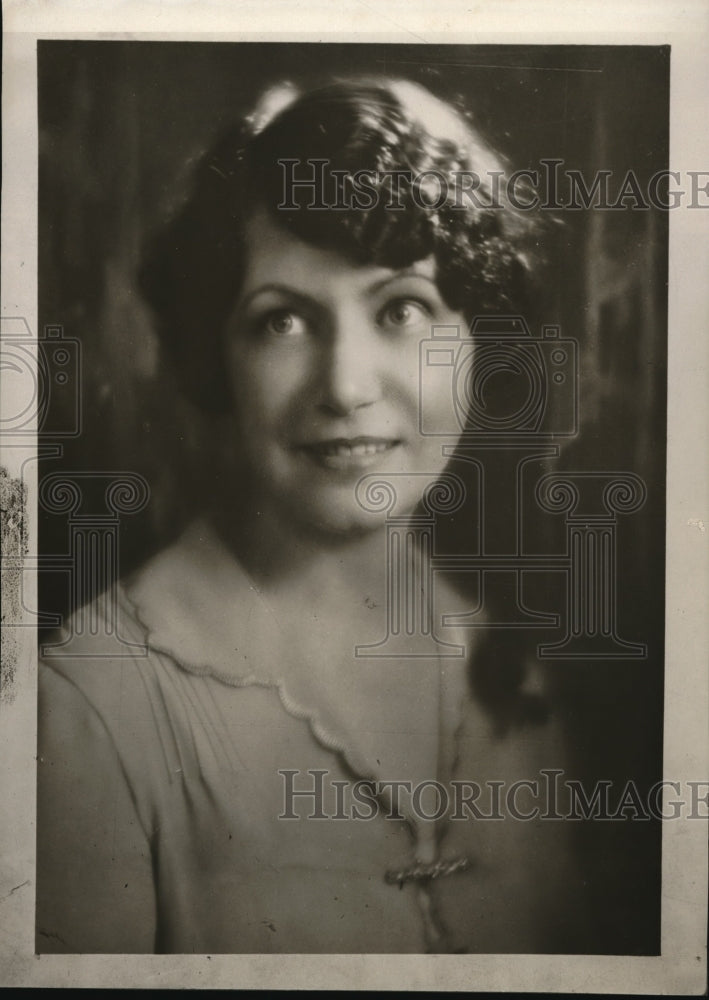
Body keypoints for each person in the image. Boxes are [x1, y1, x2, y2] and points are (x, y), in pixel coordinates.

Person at [36, 76, 589, 954]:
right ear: (214, 357)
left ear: (479, 341)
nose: (344, 386)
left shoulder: (512, 663)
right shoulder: (85, 713)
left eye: (401, 309)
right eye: (282, 322)